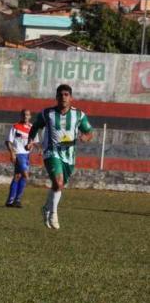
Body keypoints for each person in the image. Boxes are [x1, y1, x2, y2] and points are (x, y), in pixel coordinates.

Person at [27, 84, 93, 230]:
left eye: (66, 94)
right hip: (51, 152)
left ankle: (46, 208)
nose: (63, 97)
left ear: (71, 98)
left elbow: (89, 132)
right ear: (56, 97)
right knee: (58, 181)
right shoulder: (47, 113)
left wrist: (85, 137)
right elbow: (35, 126)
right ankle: (54, 213)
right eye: (61, 94)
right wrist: (30, 140)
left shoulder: (79, 115)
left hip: (69, 156)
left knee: (59, 185)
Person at [4, 109, 36, 208]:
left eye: (27, 115)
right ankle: (16, 200)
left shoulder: (32, 128)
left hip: (26, 155)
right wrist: (12, 153)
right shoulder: (15, 127)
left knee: (18, 176)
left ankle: (11, 201)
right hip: (18, 154)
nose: (25, 116)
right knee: (25, 175)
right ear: (21, 116)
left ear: (30, 116)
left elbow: (34, 141)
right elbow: (8, 141)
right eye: (24, 115)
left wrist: (31, 145)